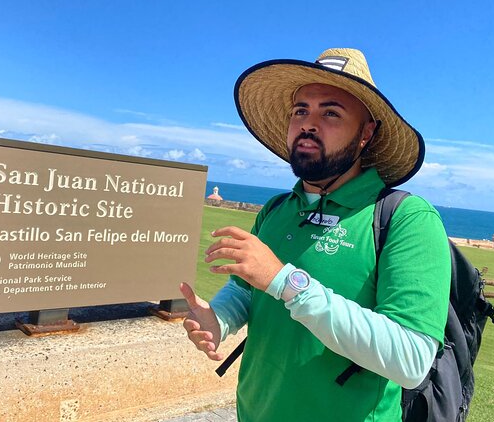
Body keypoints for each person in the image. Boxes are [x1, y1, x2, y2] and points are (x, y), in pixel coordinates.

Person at [180, 48, 450, 421]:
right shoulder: (277, 209)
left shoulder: (406, 219)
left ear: (366, 133)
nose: (308, 123)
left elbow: (411, 359)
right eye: (300, 110)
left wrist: (284, 280)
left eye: (331, 113)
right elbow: (247, 289)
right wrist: (220, 318)